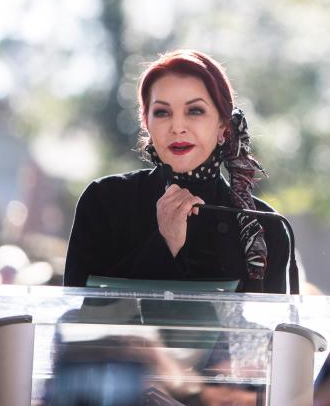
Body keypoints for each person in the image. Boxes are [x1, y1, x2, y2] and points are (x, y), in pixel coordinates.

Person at [64, 49, 291, 293]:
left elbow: (273, 329)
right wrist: (164, 243)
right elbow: (80, 316)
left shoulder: (265, 226)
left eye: (195, 111)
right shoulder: (104, 201)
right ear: (146, 123)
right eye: (162, 112)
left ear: (223, 125)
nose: (177, 127)